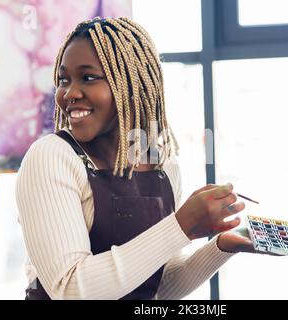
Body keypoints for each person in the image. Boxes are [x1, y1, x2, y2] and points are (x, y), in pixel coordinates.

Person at [16, 17, 263, 300]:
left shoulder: (163, 167)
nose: (69, 93)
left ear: (132, 85)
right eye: (63, 80)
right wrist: (181, 225)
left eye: (88, 77)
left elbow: (156, 289)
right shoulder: (51, 157)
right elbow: (71, 289)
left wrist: (220, 247)